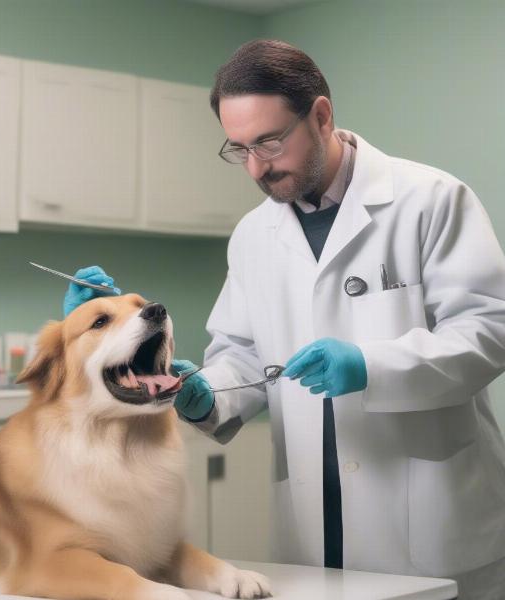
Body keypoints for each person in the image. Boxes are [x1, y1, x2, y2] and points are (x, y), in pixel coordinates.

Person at [63, 40, 505, 600]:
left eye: (269, 142)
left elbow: (488, 331)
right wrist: (207, 393)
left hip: (431, 521)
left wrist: (371, 364)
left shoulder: (431, 201)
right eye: (239, 148)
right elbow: (243, 353)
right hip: (313, 527)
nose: (256, 167)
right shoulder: (254, 234)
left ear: (320, 116)